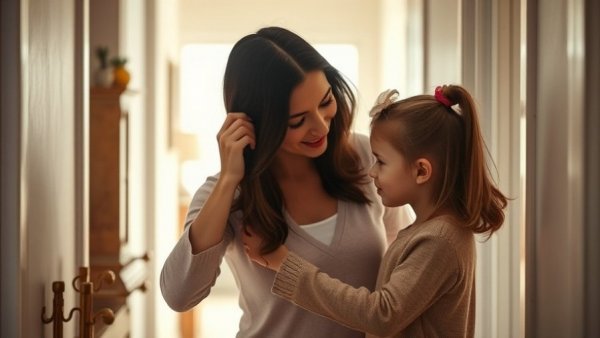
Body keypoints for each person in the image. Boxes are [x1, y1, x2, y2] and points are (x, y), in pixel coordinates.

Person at [160, 26, 413, 338]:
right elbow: (179, 295)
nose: (320, 126)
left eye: (325, 101)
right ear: (255, 121)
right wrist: (228, 180)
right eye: (297, 120)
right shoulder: (228, 192)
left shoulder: (365, 156)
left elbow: (403, 268)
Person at [243, 85, 509, 337]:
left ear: (421, 171)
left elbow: (382, 315)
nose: (372, 172)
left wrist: (284, 264)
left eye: (381, 161)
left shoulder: (439, 240)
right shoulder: (429, 231)